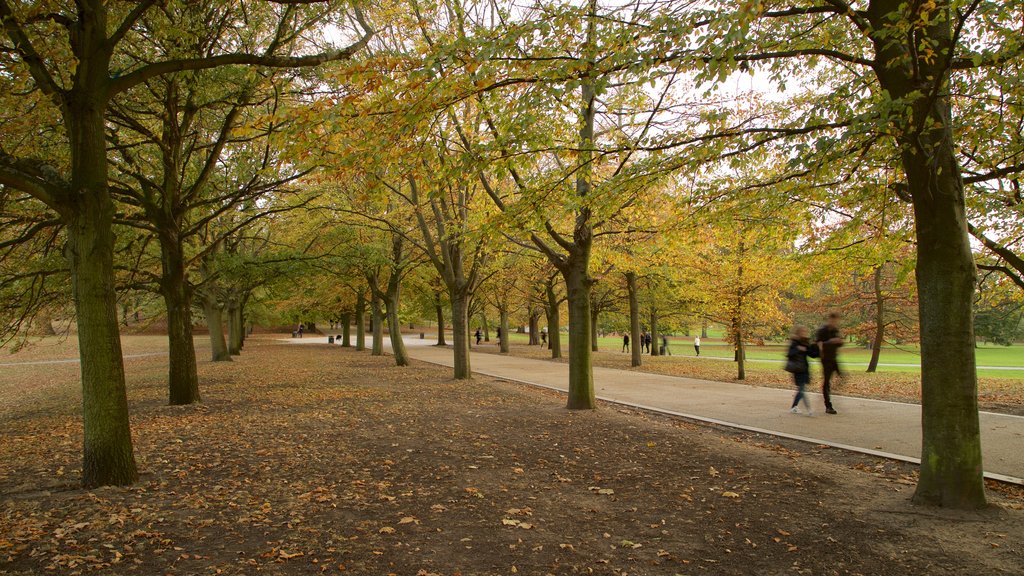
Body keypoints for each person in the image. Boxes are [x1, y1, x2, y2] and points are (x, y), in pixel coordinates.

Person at [814, 312, 844, 415]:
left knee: (842, 376)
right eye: (834, 320)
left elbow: (840, 343)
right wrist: (830, 342)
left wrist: (839, 342)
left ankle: (831, 389)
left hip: (834, 358)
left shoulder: (835, 330)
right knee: (827, 381)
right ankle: (828, 405)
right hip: (825, 359)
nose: (835, 323)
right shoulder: (822, 330)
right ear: (830, 320)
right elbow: (818, 343)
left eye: (837, 321)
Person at [787, 325, 818, 415]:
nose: (804, 333)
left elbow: (813, 355)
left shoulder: (805, 342)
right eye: (802, 332)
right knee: (802, 389)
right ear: (798, 332)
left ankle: (794, 407)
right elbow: (789, 354)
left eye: (805, 331)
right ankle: (809, 409)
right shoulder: (794, 342)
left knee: (801, 389)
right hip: (797, 369)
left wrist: (816, 345)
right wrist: (798, 349)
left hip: (804, 369)